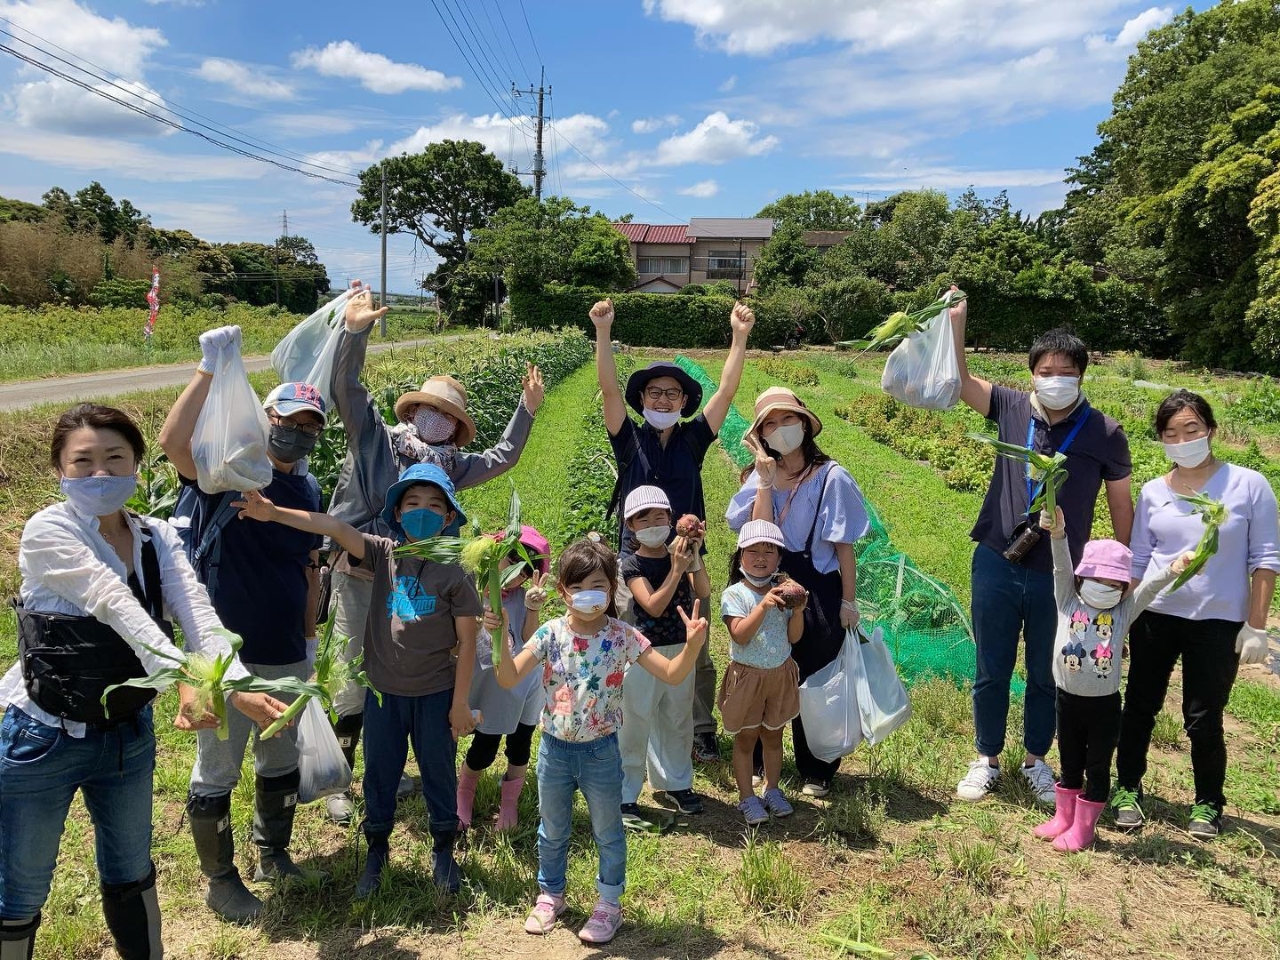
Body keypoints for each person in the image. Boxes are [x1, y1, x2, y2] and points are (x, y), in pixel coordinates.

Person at [0, 404, 286, 960]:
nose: (100, 474)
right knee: (22, 889)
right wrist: (185, 678)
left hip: (125, 733)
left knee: (131, 871)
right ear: (59, 468)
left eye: (115, 458)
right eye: (83, 462)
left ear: (136, 464)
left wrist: (236, 681)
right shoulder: (48, 530)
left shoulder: (156, 535)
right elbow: (117, 606)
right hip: (41, 737)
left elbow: (196, 612)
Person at [323, 287, 544, 822]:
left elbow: (504, 456)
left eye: (447, 415)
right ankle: (340, 781)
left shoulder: (454, 465)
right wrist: (354, 335)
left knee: (413, 663)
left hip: (421, 578)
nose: (435, 419)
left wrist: (527, 410)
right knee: (355, 670)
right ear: (414, 409)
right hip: (361, 572)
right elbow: (347, 391)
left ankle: (402, 762)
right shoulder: (379, 442)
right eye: (429, 409)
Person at [232, 463, 482, 893]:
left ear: (448, 518)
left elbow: (468, 643)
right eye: (413, 504)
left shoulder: (456, 572)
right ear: (398, 515)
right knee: (379, 774)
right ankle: (377, 850)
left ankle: (443, 849)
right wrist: (275, 514)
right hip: (384, 696)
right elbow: (332, 525)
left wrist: (460, 704)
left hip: (435, 694)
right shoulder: (383, 554)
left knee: (438, 772)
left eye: (434, 505)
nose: (422, 511)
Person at [158, 326, 325, 923]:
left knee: (278, 759)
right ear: (265, 417)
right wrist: (209, 367)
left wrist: (310, 638)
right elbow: (173, 442)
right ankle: (220, 880)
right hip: (222, 650)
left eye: (310, 425)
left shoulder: (307, 486)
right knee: (218, 764)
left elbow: (309, 569)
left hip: (286, 644)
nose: (297, 432)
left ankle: (272, 852)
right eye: (289, 418)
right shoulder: (227, 468)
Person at [949, 295, 1134, 804]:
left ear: (1082, 375)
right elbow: (962, 380)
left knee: (1051, 666)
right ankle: (986, 757)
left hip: (1062, 569)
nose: (1056, 378)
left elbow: (1122, 507)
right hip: (996, 556)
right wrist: (958, 323)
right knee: (992, 663)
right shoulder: (1009, 407)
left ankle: (1035, 759)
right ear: (1031, 374)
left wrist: (1124, 571)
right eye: (1046, 370)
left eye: (1067, 371)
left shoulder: (1104, 432)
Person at [494, 538, 708, 946]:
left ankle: (609, 903)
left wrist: (693, 646)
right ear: (562, 591)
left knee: (608, 831)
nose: (587, 594)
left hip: (601, 752)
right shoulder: (549, 634)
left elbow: (671, 673)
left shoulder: (623, 635)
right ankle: (550, 895)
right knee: (552, 830)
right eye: (577, 587)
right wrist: (500, 633)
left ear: (612, 588)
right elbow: (507, 678)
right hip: (554, 751)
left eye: (598, 584)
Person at [590, 297, 754, 763]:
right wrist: (604, 331)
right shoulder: (628, 439)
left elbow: (724, 393)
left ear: (684, 403)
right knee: (631, 633)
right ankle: (625, 719)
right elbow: (606, 392)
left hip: (686, 552)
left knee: (693, 637)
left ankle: (699, 728)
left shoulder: (693, 440)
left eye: (673, 394)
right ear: (642, 400)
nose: (663, 399)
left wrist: (738, 338)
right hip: (637, 554)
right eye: (654, 393)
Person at [1113, 390, 1279, 839]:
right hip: (1157, 615)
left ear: (1210, 431)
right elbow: (1138, 560)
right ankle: (1127, 787)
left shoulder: (1248, 485)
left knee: (1203, 716)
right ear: (1162, 440)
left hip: (1217, 621)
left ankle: (1208, 802)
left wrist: (1257, 626)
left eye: (1191, 429)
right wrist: (1124, 616)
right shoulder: (1153, 492)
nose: (1182, 439)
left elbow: (1265, 558)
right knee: (1139, 706)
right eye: (1171, 433)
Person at [727, 387, 869, 797]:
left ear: (804, 424)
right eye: (769, 424)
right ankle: (754, 757)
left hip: (815, 589)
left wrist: (847, 601)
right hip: (761, 582)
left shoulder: (831, 476)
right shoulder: (759, 474)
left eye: (787, 419)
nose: (780, 429)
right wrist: (766, 483)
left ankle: (817, 766)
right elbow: (756, 537)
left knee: (812, 675)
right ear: (760, 435)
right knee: (759, 668)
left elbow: (844, 547)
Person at [1032, 507, 1192, 851]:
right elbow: (1060, 564)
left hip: (1103, 707)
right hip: (1066, 700)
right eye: (1097, 580)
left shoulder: (1122, 612)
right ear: (1081, 577)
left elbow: (1148, 590)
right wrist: (1058, 534)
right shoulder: (1066, 601)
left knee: (1098, 766)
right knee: (1070, 759)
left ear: (1122, 588)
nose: (1105, 588)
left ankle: (1085, 830)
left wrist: (1174, 569)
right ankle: (1064, 818)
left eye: (1114, 583)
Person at [617, 486, 710, 828]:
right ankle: (626, 793)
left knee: (677, 717)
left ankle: (676, 782)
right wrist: (676, 568)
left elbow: (704, 590)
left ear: (671, 520)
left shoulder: (681, 555)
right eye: (645, 517)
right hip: (644, 651)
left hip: (680, 647)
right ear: (631, 525)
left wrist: (693, 557)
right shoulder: (632, 564)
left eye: (660, 516)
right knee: (635, 720)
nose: (654, 523)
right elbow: (652, 605)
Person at [458, 525, 551, 833]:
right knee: (484, 745)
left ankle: (509, 801)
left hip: (523, 685)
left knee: (520, 746)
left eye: (528, 569)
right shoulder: (469, 591)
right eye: (513, 560)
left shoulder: (523, 598)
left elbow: (528, 638)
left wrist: (532, 609)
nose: (518, 572)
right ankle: (464, 791)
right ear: (495, 553)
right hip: (489, 687)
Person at [719, 520, 805, 825]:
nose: (760, 557)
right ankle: (746, 797)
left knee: (773, 736)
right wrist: (764, 606)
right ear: (740, 555)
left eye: (769, 552)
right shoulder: (735, 595)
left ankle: (772, 789)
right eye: (753, 550)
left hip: (779, 674)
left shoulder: (783, 591)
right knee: (745, 739)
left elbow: (794, 638)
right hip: (747, 677)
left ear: (779, 558)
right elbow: (740, 635)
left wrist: (797, 610)